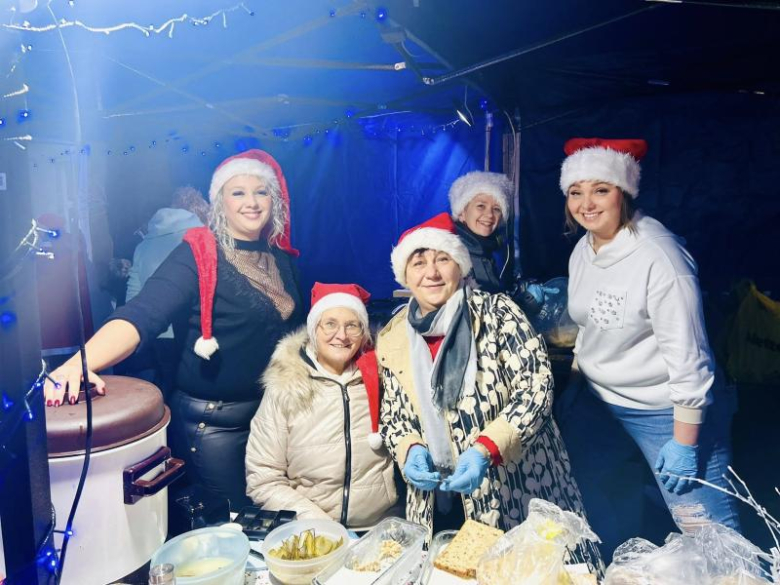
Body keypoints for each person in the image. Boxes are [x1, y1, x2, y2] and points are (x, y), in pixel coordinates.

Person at [43, 149, 304, 510]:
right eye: (238, 192)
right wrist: (80, 362)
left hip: (273, 417)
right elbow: (144, 313)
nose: (252, 202)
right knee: (237, 526)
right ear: (218, 203)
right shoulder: (198, 254)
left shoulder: (280, 258)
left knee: (281, 521)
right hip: (217, 425)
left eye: (261, 191)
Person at [376, 213, 602, 569]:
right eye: (418, 262)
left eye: (442, 259)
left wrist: (486, 448)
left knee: (538, 572)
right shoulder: (393, 335)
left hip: (517, 486)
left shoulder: (498, 314)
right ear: (405, 275)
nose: (431, 273)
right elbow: (393, 414)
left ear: (461, 267)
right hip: (437, 501)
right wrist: (409, 448)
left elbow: (535, 387)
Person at [556, 137, 741, 557]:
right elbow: (588, 326)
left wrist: (686, 441)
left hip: (662, 409)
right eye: (575, 192)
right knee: (598, 502)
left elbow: (690, 357)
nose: (587, 203)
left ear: (623, 193)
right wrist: (575, 384)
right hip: (599, 402)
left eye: (600, 190)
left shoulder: (660, 257)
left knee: (706, 527)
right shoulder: (584, 249)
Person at [245, 283, 398, 529]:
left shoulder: (384, 378)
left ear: (364, 332)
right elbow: (263, 479)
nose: (342, 335)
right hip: (311, 531)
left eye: (352, 325)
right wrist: (321, 526)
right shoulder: (285, 386)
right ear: (313, 329)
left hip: (380, 527)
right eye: (330, 324)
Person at [124, 186, 207, 397]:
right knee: (195, 389)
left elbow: (134, 293)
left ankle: (164, 427)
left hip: (158, 331)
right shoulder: (203, 239)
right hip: (194, 328)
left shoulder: (144, 245)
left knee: (166, 385)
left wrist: (133, 330)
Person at [448, 171, 512, 293]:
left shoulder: (486, 251)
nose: (489, 215)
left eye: (496, 209)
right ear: (462, 213)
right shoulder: (453, 254)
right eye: (481, 206)